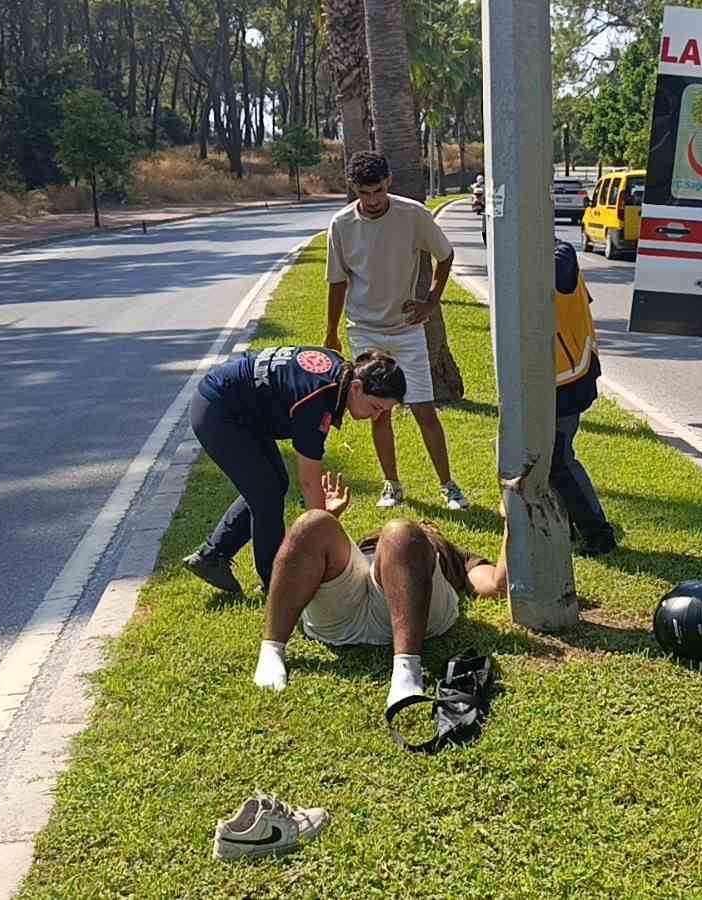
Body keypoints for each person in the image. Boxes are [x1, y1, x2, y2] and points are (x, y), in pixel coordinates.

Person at [252, 474, 508, 710]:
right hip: (351, 606)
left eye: (428, 526)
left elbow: (497, 586)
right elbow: (318, 562)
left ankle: (407, 670)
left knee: (401, 534)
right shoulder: (371, 543)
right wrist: (330, 520)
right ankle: (272, 649)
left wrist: (513, 521)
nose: (426, 525)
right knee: (313, 523)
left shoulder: (453, 553)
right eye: (425, 526)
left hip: (411, 616)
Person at [182, 346, 406, 594]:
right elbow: (310, 483)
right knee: (266, 494)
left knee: (274, 485)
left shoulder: (340, 374)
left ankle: (212, 557)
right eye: (376, 408)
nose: (376, 417)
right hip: (219, 411)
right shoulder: (318, 402)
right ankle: (277, 585)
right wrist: (325, 540)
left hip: (239, 409)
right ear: (356, 388)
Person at [326, 150, 470, 511]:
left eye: (377, 190)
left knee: (424, 410)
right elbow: (337, 282)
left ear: (389, 181)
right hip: (365, 331)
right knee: (379, 411)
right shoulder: (341, 225)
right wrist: (331, 332)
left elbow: (445, 255)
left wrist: (431, 301)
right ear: (353, 189)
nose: (372, 200)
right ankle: (392, 485)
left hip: (406, 330)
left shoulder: (413, 215)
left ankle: (448, 486)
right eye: (364, 193)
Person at [552, 240, 617, 557]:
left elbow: (559, 270)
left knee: (559, 461)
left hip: (568, 378)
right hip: (556, 377)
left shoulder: (559, 256)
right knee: (552, 460)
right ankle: (569, 525)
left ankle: (599, 534)